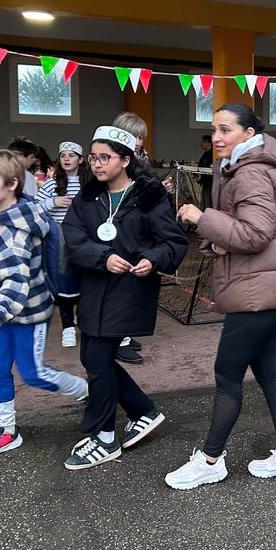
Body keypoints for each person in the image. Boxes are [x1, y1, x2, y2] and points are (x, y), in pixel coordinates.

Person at [167, 103, 276, 489]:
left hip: (256, 291)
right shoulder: (252, 168)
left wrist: (200, 218)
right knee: (268, 371)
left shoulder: (251, 173)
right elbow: (250, 233)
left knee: (227, 374)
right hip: (267, 286)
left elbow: (255, 235)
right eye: (214, 130)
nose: (216, 137)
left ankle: (211, 460)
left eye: (225, 129)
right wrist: (217, 242)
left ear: (249, 134)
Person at [62, 127, 187, 470]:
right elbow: (72, 237)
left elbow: (173, 243)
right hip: (95, 288)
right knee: (92, 355)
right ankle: (143, 410)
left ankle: (103, 437)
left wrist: (153, 260)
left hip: (130, 290)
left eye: (105, 157)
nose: (97, 164)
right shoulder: (88, 197)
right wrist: (101, 258)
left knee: (99, 360)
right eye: (93, 157)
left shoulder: (148, 196)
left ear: (126, 160)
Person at [0, 149, 87, 462]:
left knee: (34, 374)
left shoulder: (11, 228)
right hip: (4, 314)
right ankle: (6, 431)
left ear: (12, 184)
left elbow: (16, 280)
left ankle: (86, 391)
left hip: (26, 313)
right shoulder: (8, 211)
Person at [110, 111, 155, 363]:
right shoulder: (115, 158)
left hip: (137, 224)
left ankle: (124, 334)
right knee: (121, 283)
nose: (140, 141)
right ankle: (118, 339)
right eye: (136, 136)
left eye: (141, 137)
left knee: (133, 282)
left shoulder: (139, 156)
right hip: (120, 225)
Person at [36, 141, 89, 348]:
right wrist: (53, 202)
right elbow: (34, 206)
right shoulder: (51, 183)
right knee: (62, 279)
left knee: (85, 278)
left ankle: (82, 320)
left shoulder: (89, 183)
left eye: (71, 155)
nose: (67, 159)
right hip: (58, 236)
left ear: (81, 159)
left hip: (84, 236)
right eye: (63, 155)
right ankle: (67, 326)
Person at [198, 134, 214, 210]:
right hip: (205, 182)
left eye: (203, 141)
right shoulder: (206, 154)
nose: (201, 143)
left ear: (209, 142)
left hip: (210, 182)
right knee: (204, 203)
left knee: (208, 203)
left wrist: (202, 176)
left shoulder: (213, 154)